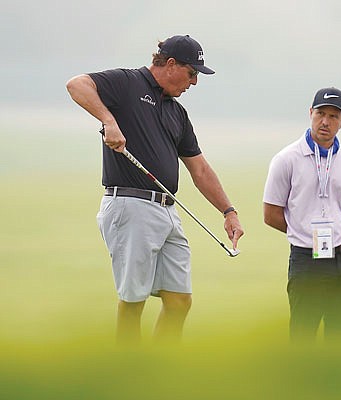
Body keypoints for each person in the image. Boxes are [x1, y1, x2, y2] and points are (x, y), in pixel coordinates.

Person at [66, 34, 244, 344]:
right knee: (133, 301)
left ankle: (160, 372)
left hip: (167, 211)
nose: (194, 83)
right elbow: (76, 84)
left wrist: (228, 211)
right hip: (130, 205)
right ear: (171, 64)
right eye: (192, 73)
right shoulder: (127, 83)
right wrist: (109, 120)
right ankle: (130, 376)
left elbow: (199, 168)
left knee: (179, 300)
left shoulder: (177, 112)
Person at [263, 87, 341, 343]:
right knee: (303, 335)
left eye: (334, 116)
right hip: (307, 259)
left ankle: (337, 383)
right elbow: (271, 214)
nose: (325, 122)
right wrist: (302, 232)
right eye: (321, 113)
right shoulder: (286, 159)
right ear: (310, 113)